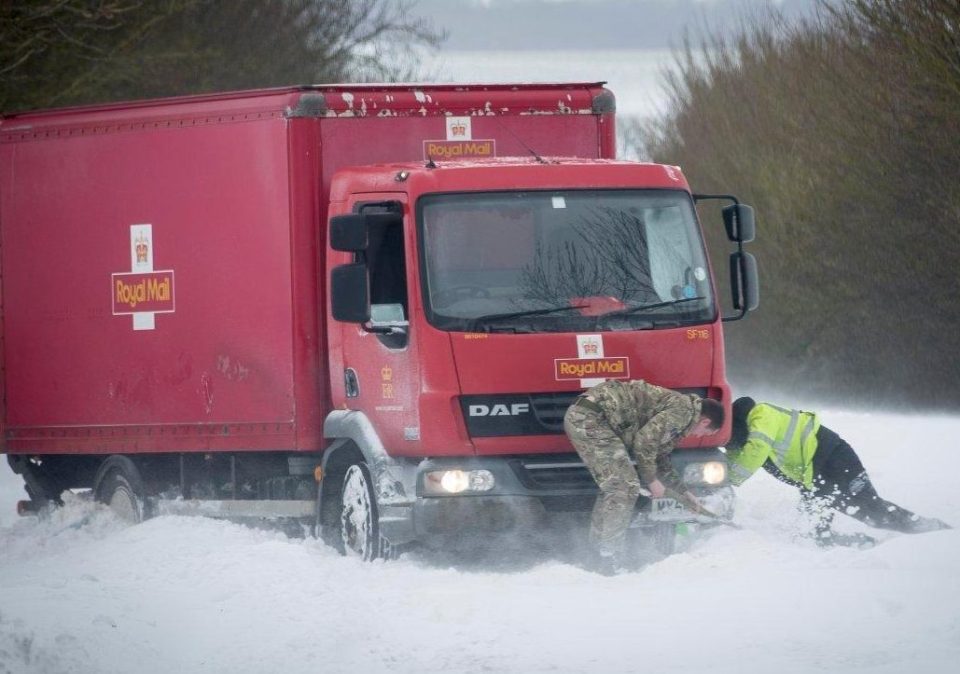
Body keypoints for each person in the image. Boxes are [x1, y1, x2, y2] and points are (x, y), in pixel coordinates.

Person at [726, 397, 951, 547]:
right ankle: (863, 545)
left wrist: (731, 479)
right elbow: (739, 456)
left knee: (872, 511)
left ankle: (937, 532)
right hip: (813, 476)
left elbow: (755, 451)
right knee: (814, 533)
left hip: (834, 458)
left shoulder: (761, 417)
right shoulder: (747, 434)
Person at [563, 379, 724, 570]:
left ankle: (599, 551)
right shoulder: (682, 412)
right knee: (623, 486)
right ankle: (608, 558)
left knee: (616, 487)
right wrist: (652, 481)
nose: (699, 436)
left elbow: (660, 457)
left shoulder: (683, 415)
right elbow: (643, 442)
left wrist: (684, 493)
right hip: (590, 418)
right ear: (705, 421)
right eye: (705, 432)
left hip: (594, 418)